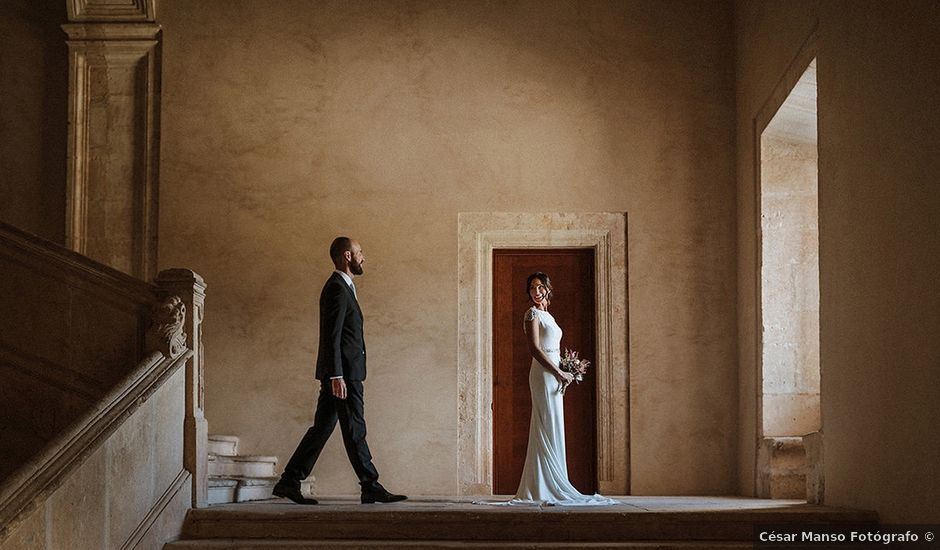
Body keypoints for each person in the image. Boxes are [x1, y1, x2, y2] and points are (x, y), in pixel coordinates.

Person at [273, 237, 407, 505]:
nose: (363, 257)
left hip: (345, 372)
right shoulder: (336, 288)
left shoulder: (344, 287)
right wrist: (336, 375)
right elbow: (331, 336)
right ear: (347, 256)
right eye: (359, 252)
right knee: (355, 427)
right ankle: (370, 485)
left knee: (322, 429)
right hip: (344, 375)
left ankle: (289, 481)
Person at [507, 272, 618, 506]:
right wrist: (559, 372)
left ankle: (552, 483)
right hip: (544, 374)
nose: (535, 292)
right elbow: (535, 350)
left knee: (553, 425)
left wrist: (568, 368)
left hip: (557, 374)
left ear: (548, 288)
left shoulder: (549, 316)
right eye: (532, 288)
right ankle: (541, 486)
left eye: (539, 287)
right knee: (545, 424)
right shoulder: (532, 314)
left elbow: (553, 346)